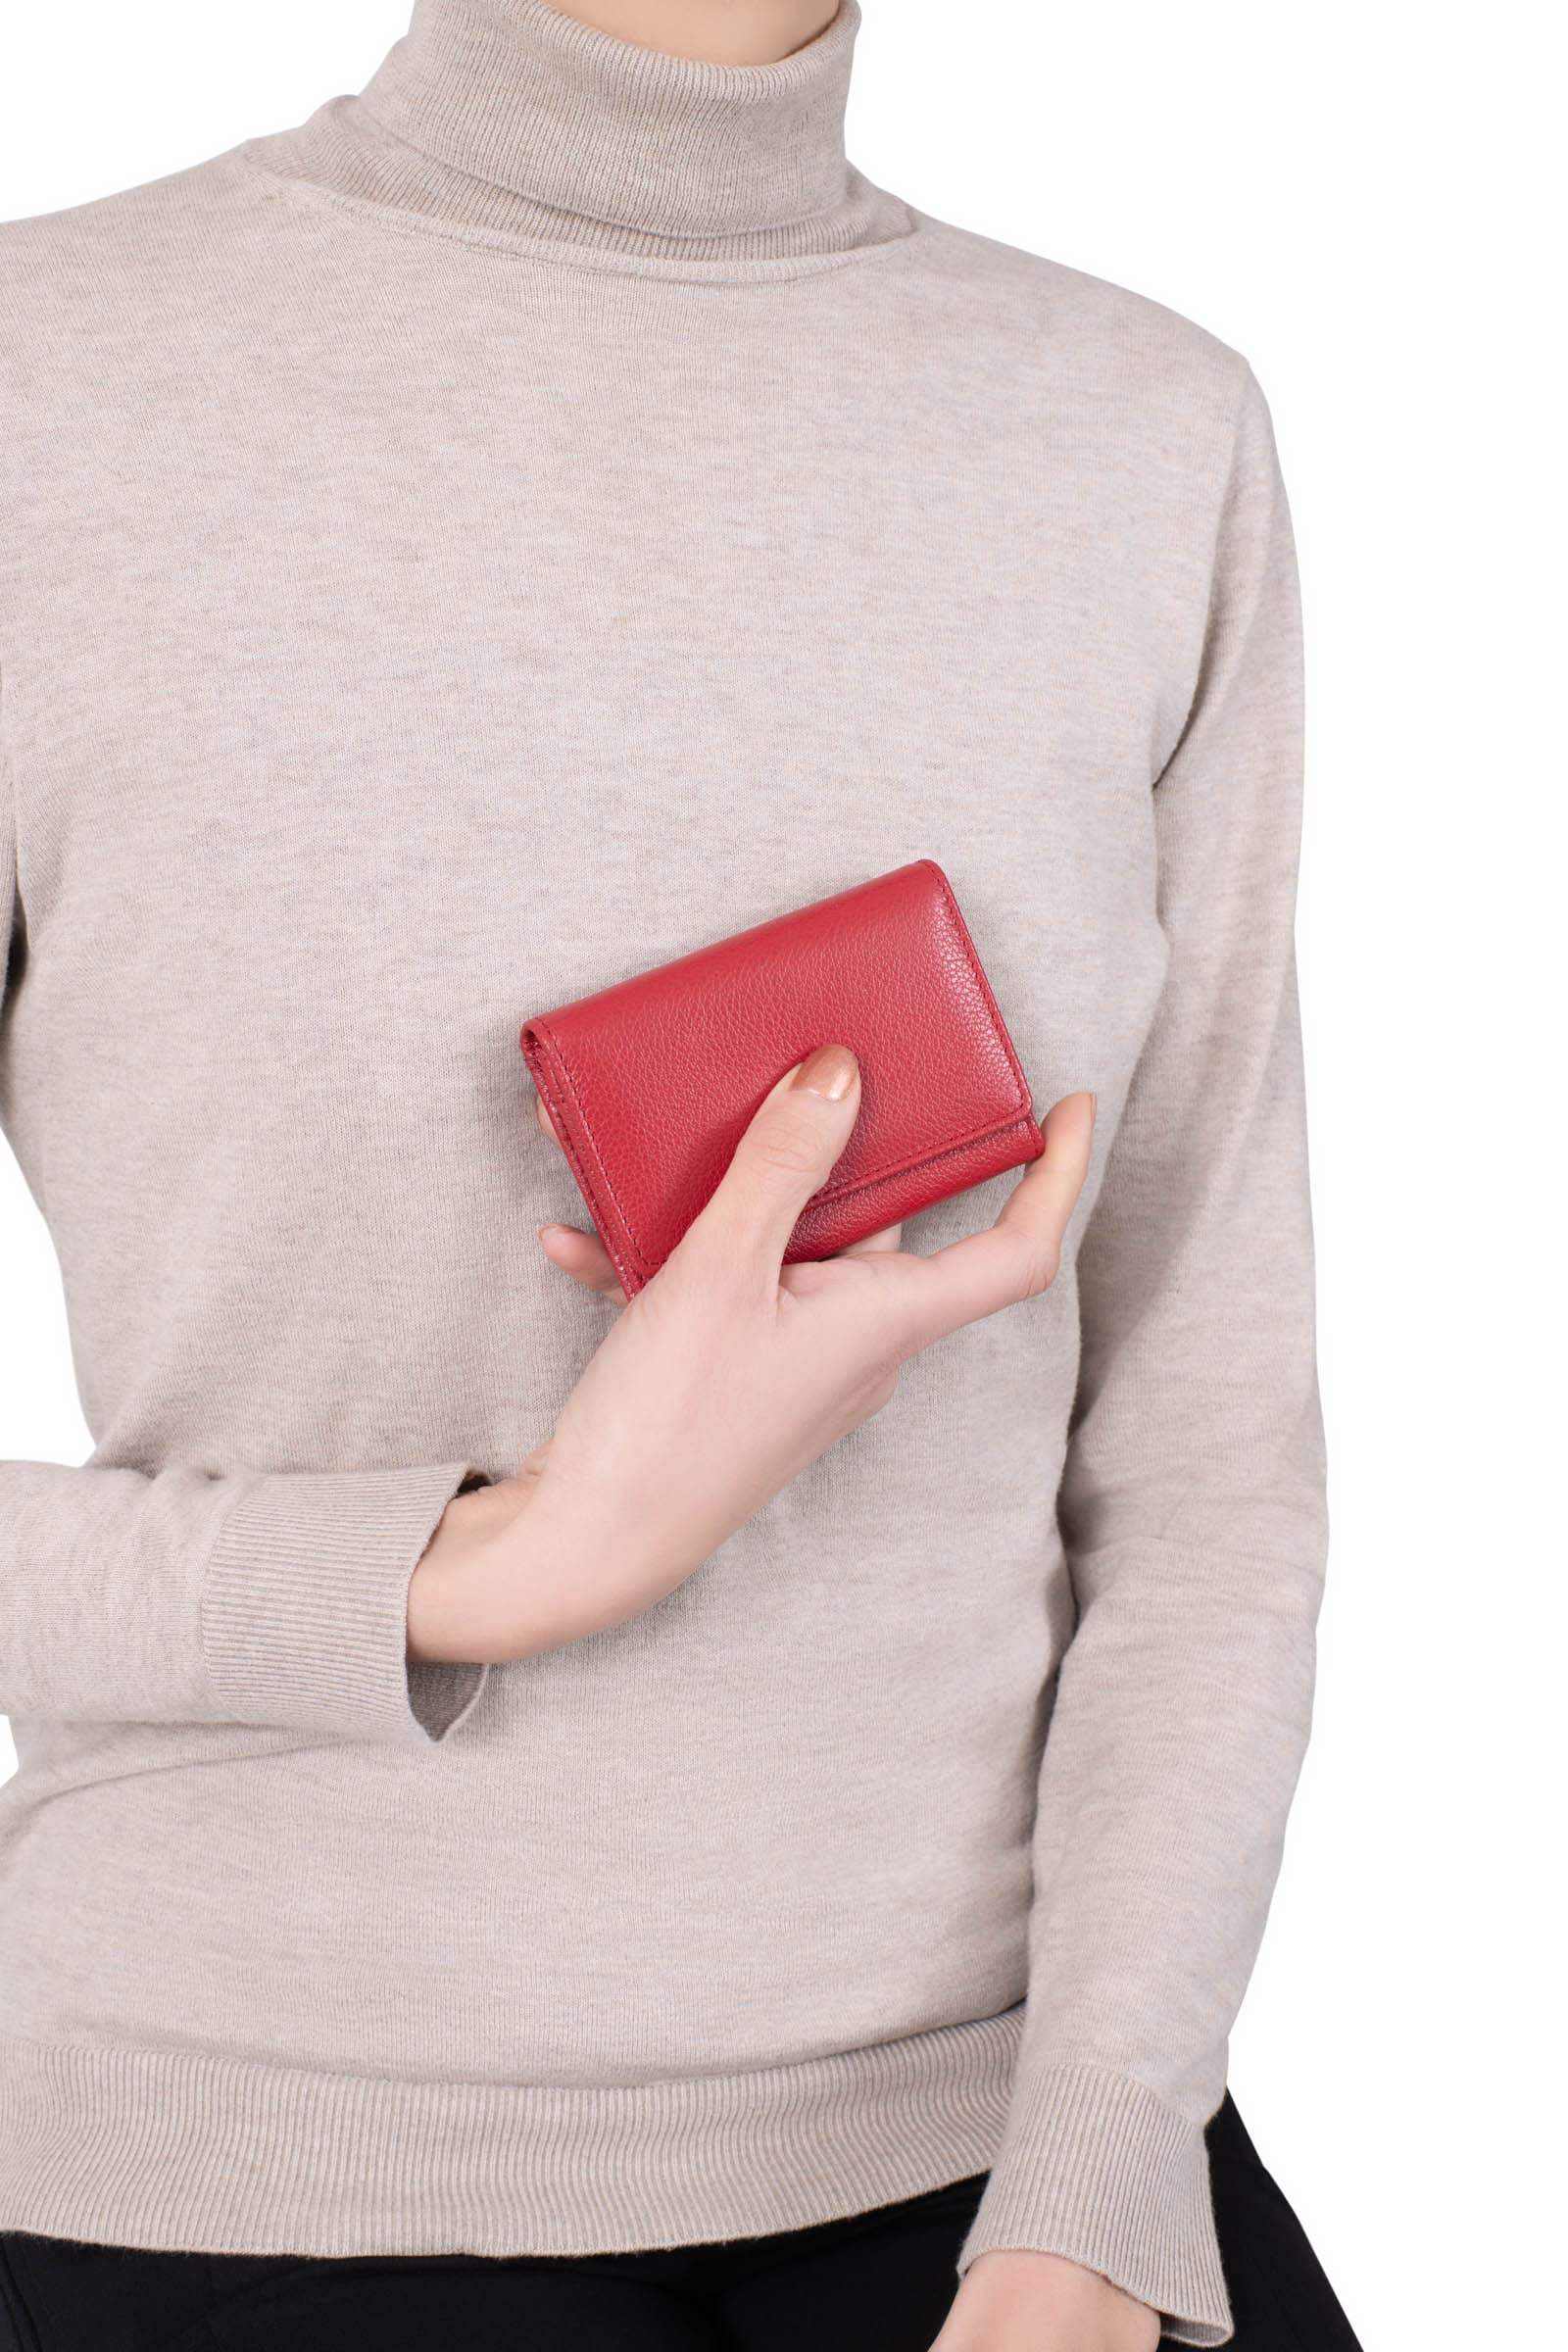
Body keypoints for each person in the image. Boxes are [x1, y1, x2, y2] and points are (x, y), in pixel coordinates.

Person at [0, 1, 1361, 2345]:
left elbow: (1202, 1445)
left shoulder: (1140, 428)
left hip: (1010, 2172)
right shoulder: (49, 385)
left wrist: (1093, 2177)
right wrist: (495, 1562)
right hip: (249, 2182)